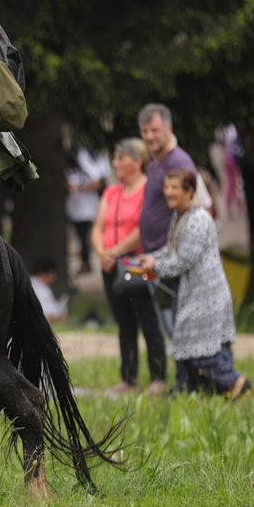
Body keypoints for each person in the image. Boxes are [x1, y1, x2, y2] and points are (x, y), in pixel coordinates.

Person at [136, 170, 250, 399]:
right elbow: (173, 250)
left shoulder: (198, 218)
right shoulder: (181, 215)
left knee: (205, 350)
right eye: (166, 187)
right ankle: (186, 392)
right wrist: (148, 259)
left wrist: (155, 265)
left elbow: (183, 260)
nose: (168, 193)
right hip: (191, 294)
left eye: (174, 188)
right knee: (187, 345)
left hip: (206, 296)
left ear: (190, 191)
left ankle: (235, 383)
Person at [91, 139, 167, 395]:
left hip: (136, 263)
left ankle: (158, 378)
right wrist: (102, 253)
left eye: (120, 158)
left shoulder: (149, 191)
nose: (115, 163)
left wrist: (117, 250)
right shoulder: (111, 192)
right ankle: (128, 378)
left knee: (148, 320)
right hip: (110, 265)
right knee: (124, 323)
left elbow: (143, 229)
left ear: (137, 161)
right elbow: (98, 228)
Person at [136, 104, 212, 337]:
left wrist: (178, 252)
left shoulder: (177, 161)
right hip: (157, 257)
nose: (149, 136)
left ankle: (192, 374)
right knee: (172, 331)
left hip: (171, 260)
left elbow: (197, 207)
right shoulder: (158, 160)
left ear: (169, 128)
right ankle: (185, 373)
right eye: (145, 131)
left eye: (155, 130)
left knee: (180, 331)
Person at [67, 146, 109, 274]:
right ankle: (85, 262)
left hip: (88, 210)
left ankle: (86, 262)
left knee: (85, 238)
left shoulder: (91, 167)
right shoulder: (70, 171)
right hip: (75, 210)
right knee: (81, 238)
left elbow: (98, 183)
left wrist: (79, 188)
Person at [30, 259, 69, 323]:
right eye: (53, 274)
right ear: (43, 273)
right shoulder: (33, 285)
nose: (55, 278)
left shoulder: (44, 287)